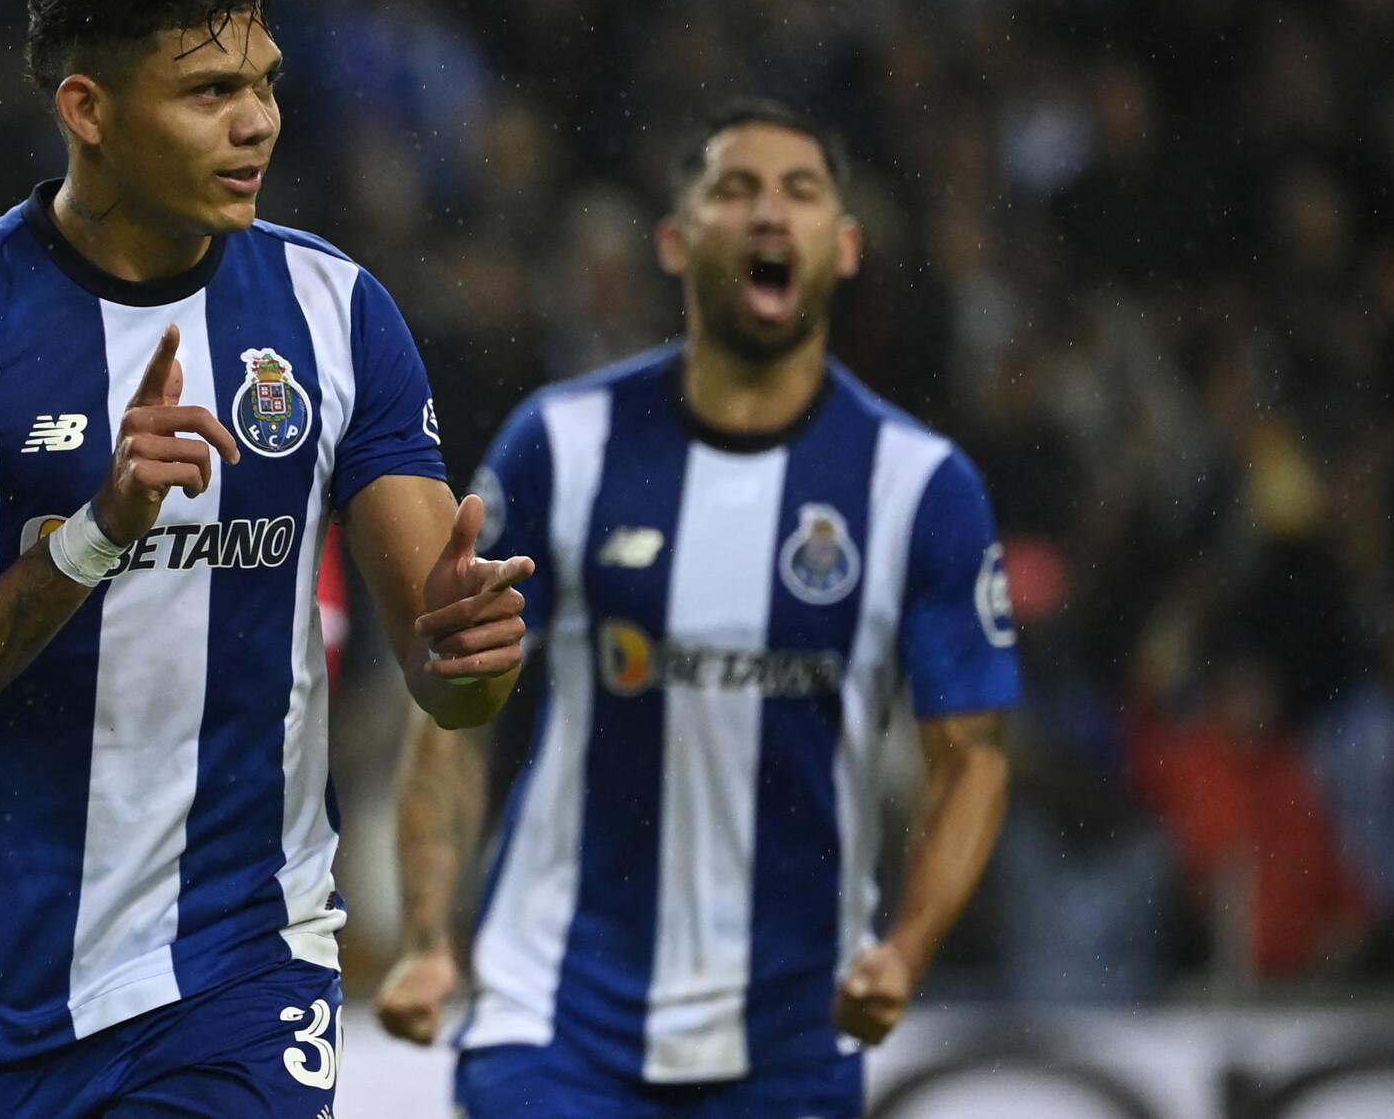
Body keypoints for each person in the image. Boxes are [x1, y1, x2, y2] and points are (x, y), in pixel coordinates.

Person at [0, 0, 532, 1118]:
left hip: (239, 965)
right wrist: (93, 533)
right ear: (87, 109)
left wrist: (471, 653)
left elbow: (444, 675)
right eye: (206, 90)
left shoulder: (334, 313)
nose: (254, 120)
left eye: (262, 82)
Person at [375, 100, 1019, 1118]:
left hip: (792, 1029)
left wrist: (905, 950)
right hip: (554, 1010)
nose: (768, 211)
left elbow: (970, 752)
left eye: (799, 192)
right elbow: (457, 711)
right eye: (734, 188)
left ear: (843, 247)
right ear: (674, 242)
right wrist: (422, 939)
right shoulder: (562, 442)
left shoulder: (916, 484)